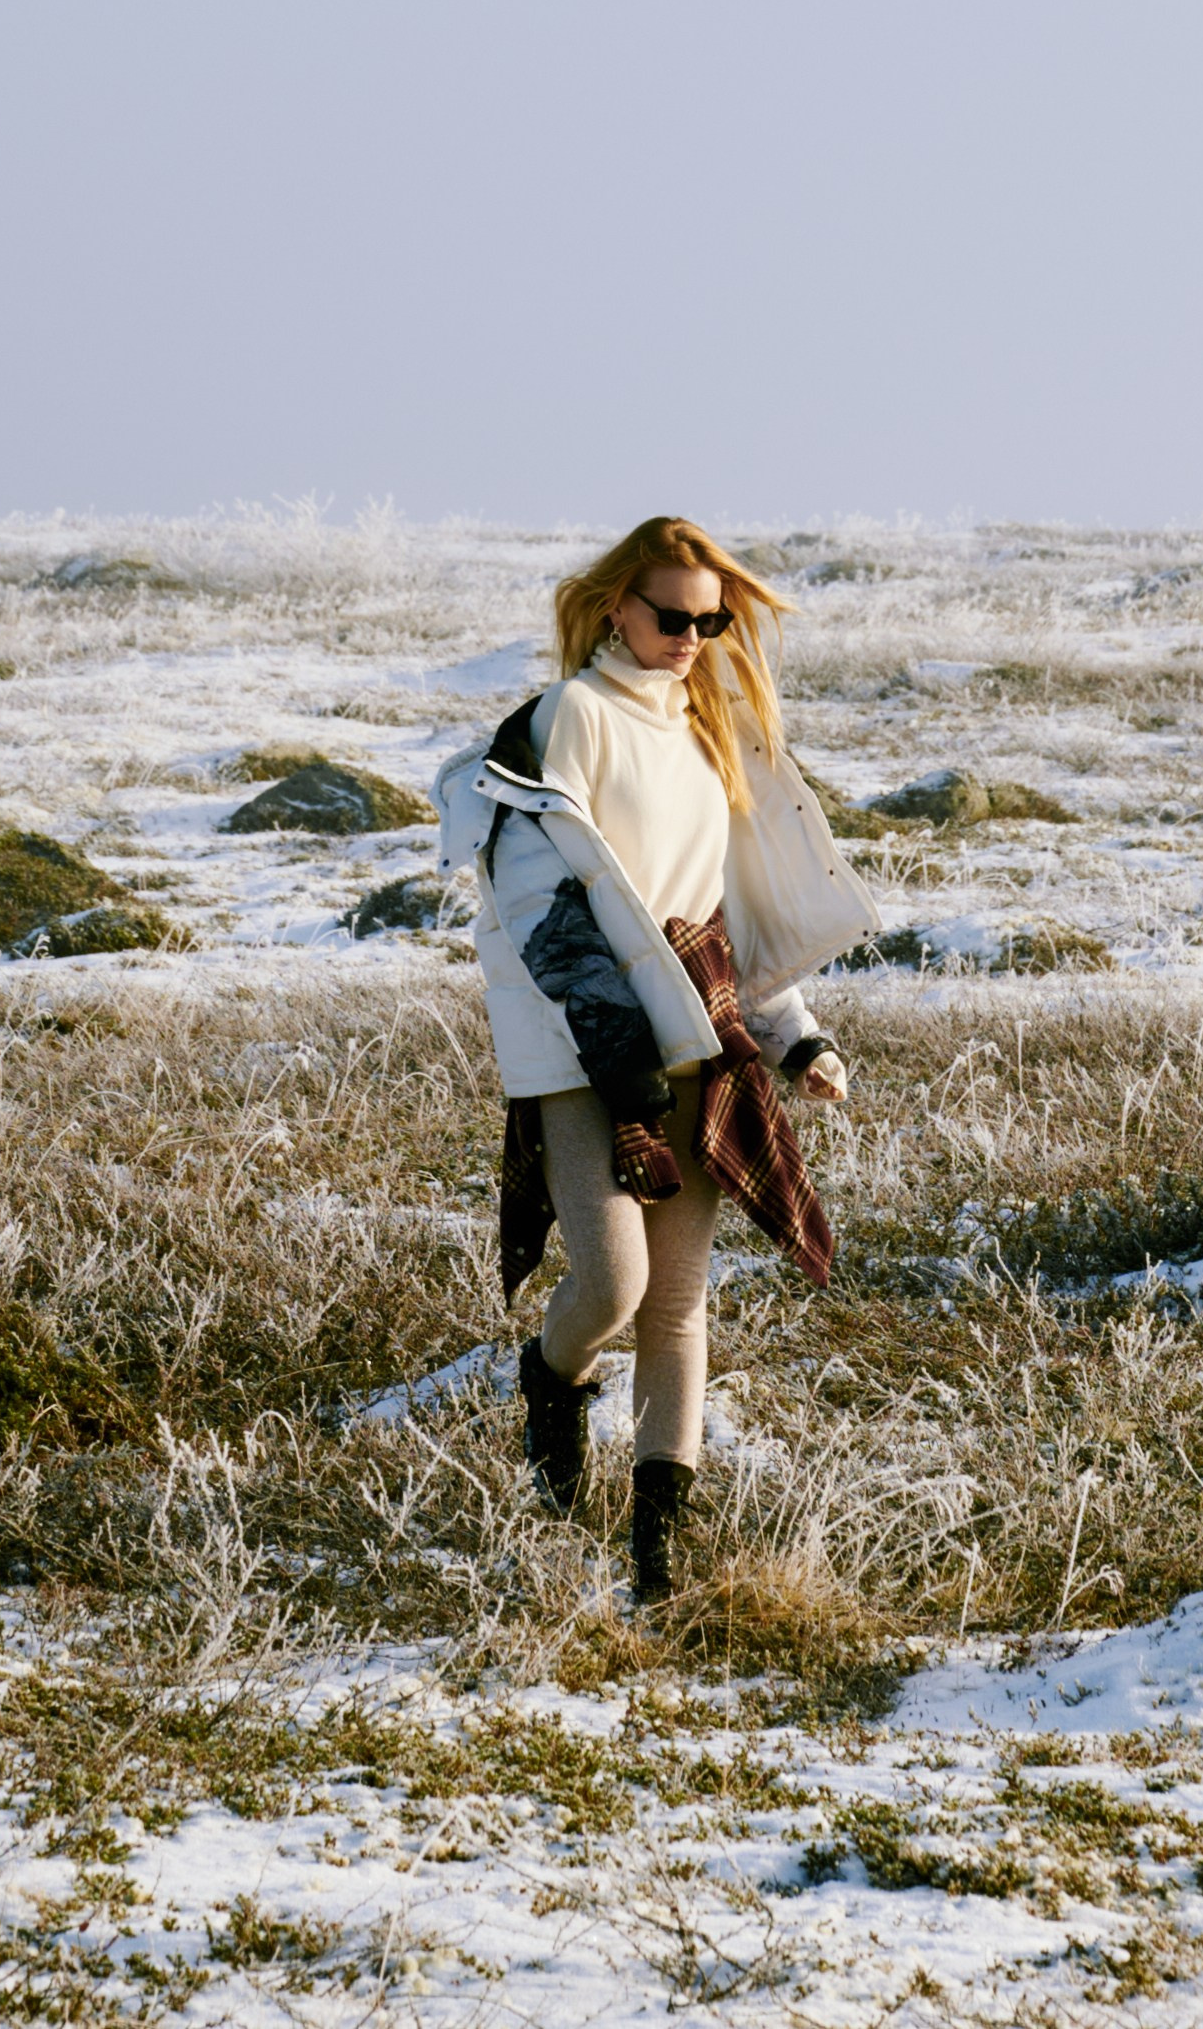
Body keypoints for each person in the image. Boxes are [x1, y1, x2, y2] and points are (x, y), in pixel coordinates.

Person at [432, 515, 881, 1600]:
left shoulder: (707, 729)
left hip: (698, 1032)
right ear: (613, 607)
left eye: (710, 618)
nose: (692, 636)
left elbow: (725, 915)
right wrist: (619, 1042)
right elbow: (540, 903)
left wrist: (795, 1033)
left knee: (679, 1306)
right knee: (613, 1280)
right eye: (671, 616)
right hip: (580, 1048)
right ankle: (551, 1378)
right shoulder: (566, 720)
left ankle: (656, 1558)